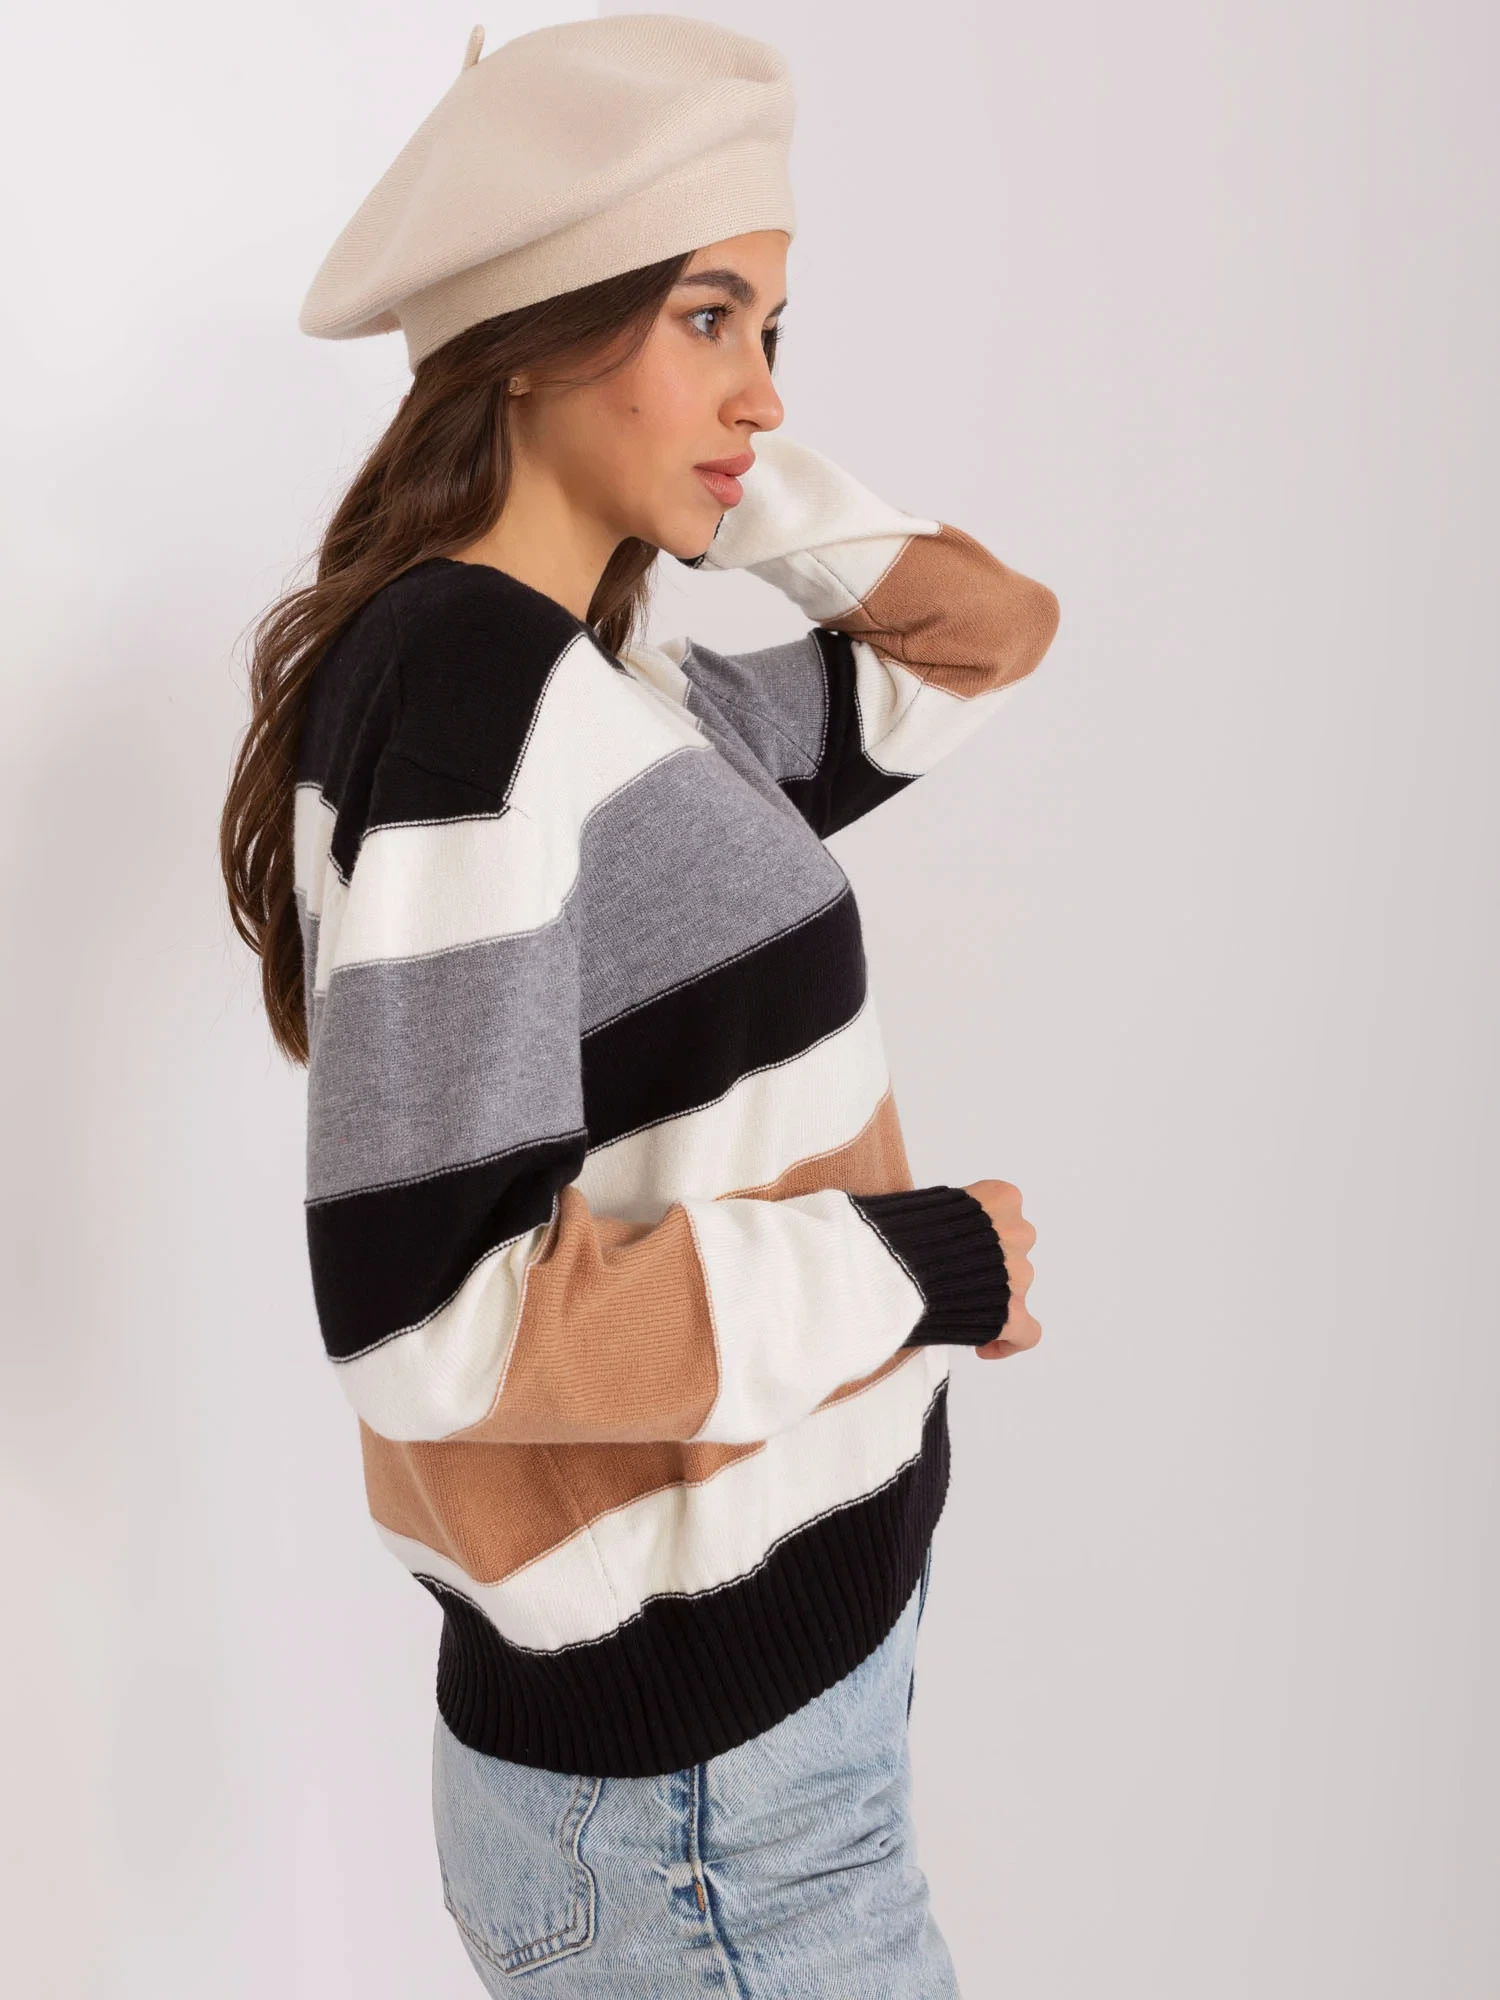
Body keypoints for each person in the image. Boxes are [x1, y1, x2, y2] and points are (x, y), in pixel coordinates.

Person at [220, 14, 1057, 1995]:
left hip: (750, 1760)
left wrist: (723, 474)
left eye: (772, 326)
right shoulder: (472, 703)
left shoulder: (618, 697)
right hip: (712, 1818)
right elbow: (433, 1324)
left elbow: (979, 642)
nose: (764, 388)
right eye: (704, 318)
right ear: (534, 331)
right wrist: (914, 1263)